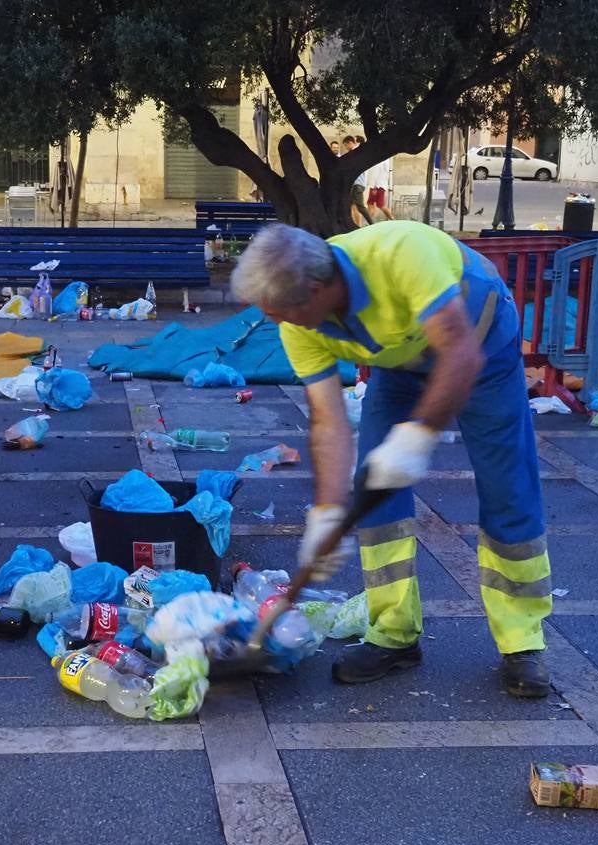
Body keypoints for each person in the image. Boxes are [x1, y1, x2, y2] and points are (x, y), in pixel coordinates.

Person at [229, 222, 553, 698]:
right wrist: (327, 510)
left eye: (281, 315)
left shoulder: (402, 254)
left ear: (316, 292)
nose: (279, 325)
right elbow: (328, 420)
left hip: (478, 343)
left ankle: (523, 641)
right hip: (398, 363)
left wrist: (418, 435)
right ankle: (394, 633)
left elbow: (459, 355)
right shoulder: (301, 322)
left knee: (508, 487)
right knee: (375, 492)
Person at [341, 136, 372, 226]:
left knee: (360, 206)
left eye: (346, 145)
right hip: (356, 184)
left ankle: (372, 224)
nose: (346, 148)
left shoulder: (356, 152)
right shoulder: (356, 152)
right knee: (348, 205)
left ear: (349, 143)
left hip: (357, 184)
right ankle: (351, 224)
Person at [365, 153, 393, 222]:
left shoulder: (378, 159)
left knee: (378, 204)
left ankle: (392, 219)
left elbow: (375, 173)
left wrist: (374, 187)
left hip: (377, 185)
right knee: (373, 203)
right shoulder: (385, 158)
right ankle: (370, 221)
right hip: (381, 184)